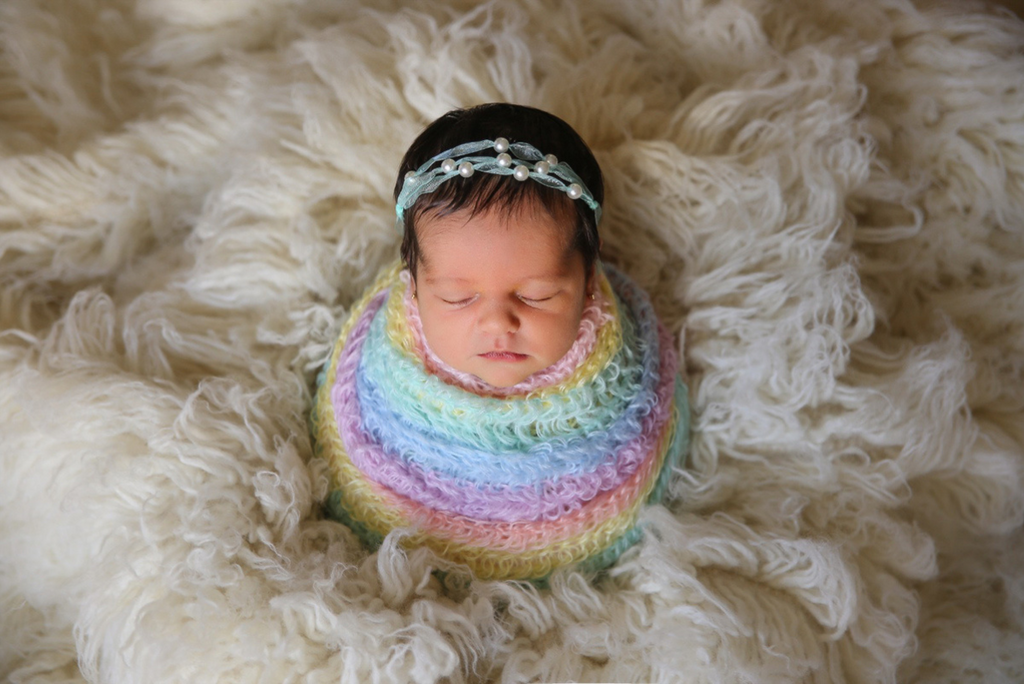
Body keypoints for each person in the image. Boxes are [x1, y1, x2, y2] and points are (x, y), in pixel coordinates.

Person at [311, 103, 689, 583]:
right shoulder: (383, 379)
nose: (497, 322)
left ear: (588, 278)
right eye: (456, 297)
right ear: (415, 285)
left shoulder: (626, 383)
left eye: (537, 295)